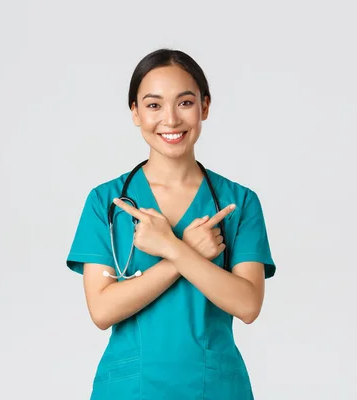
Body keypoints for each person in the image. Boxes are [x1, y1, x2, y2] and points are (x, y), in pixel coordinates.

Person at [66, 48, 276, 399]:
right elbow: (102, 311)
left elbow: (248, 304)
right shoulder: (106, 202)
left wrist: (172, 247)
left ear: (204, 107)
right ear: (134, 112)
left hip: (213, 387)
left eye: (184, 103)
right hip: (130, 387)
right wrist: (184, 252)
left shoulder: (239, 202)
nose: (171, 120)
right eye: (153, 105)